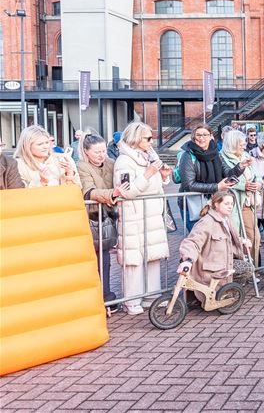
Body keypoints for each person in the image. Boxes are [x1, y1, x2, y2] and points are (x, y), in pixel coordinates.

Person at [114, 122, 172, 315]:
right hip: (135, 214)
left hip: (151, 214)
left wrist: (163, 177)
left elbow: (153, 186)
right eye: (147, 138)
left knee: (152, 255)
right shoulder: (124, 161)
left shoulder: (148, 157)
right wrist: (148, 174)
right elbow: (127, 190)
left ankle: (151, 295)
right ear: (136, 138)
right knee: (134, 258)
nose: (151, 141)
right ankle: (131, 300)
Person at [77, 132, 129, 308]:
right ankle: (97, 298)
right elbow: (88, 191)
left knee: (104, 260)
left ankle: (105, 296)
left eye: (103, 150)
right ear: (86, 151)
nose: (102, 155)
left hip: (105, 217)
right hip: (90, 216)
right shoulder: (81, 166)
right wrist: (112, 194)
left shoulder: (111, 163)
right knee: (94, 261)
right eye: (97, 152)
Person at [177, 191, 251, 303]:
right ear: (216, 204)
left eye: (231, 204)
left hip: (223, 263)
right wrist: (188, 260)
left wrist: (242, 241)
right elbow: (192, 242)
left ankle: (225, 292)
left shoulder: (227, 219)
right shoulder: (207, 222)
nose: (230, 206)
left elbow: (229, 239)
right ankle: (214, 295)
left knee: (247, 268)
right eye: (226, 204)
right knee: (247, 269)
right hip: (211, 268)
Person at [178, 125, 235, 231]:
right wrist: (216, 187)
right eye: (198, 135)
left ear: (211, 137)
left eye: (205, 134)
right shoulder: (187, 156)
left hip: (212, 203)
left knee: (213, 239)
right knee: (199, 239)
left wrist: (241, 167)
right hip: (193, 205)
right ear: (193, 137)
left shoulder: (216, 153)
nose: (201, 137)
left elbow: (227, 172)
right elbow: (188, 185)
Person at [220, 130, 262, 264]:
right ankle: (238, 269)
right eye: (241, 145)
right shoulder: (221, 157)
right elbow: (226, 177)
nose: (244, 147)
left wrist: (258, 184)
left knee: (253, 237)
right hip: (231, 203)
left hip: (247, 203)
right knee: (235, 237)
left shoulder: (245, 155)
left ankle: (251, 268)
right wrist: (244, 185)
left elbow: (257, 174)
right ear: (232, 144)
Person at [14, 125, 81, 188]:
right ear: (27, 146)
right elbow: (19, 194)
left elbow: (77, 191)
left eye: (47, 142)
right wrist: (41, 182)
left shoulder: (63, 158)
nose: (45, 147)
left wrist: (70, 174)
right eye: (40, 144)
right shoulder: (17, 165)